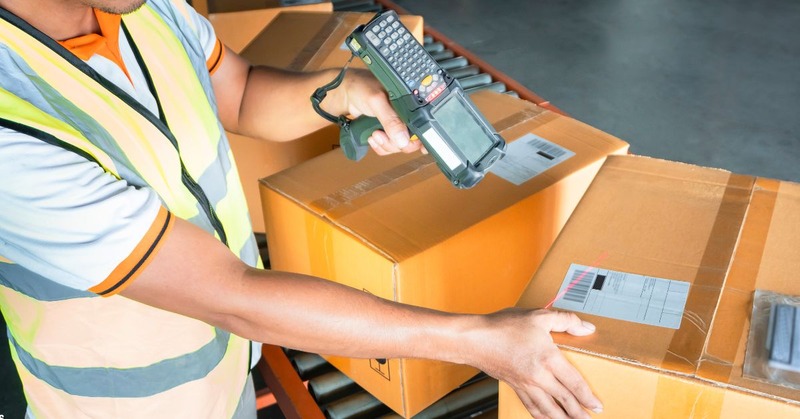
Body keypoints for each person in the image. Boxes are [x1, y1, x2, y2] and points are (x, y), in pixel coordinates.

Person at [0, 0, 603, 418]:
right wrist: (479, 341)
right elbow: (232, 294)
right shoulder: (11, 126)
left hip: (228, 372)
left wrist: (343, 92)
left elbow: (237, 93)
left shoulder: (147, 8)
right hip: (125, 405)